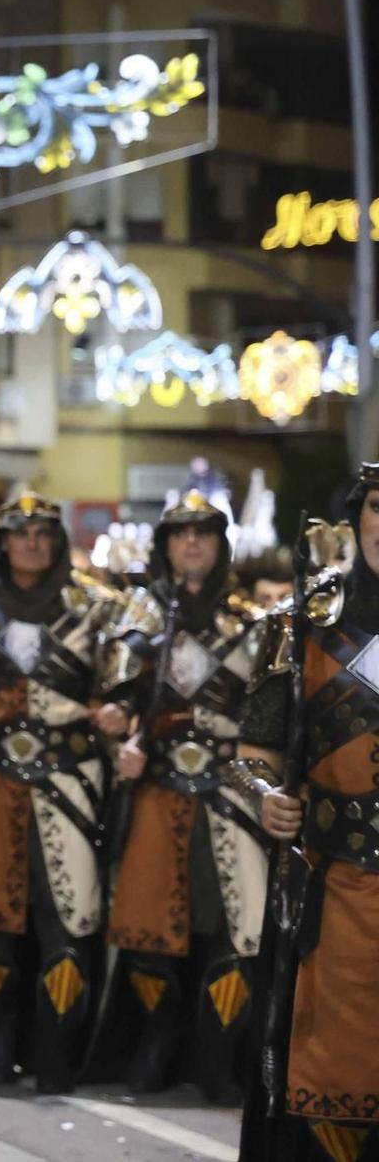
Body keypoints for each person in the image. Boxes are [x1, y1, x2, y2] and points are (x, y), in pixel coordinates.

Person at [0, 492, 116, 1092]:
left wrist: (111, 714)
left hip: (71, 776)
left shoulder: (98, 607)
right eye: (20, 532)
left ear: (57, 541)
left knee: (69, 921)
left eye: (42, 532)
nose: (32, 542)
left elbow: (120, 690)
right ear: (3, 539)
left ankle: (57, 1056)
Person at [89, 491, 271, 1102]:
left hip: (231, 791)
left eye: (204, 533)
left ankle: (217, 1059)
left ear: (220, 545)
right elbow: (112, 699)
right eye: (181, 533)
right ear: (165, 546)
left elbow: (270, 712)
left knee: (233, 930)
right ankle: (156, 1045)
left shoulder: (253, 622)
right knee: (146, 927)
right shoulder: (137, 618)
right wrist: (118, 729)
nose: (192, 542)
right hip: (158, 788)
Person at [238, 469, 379, 1159]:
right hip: (333, 880)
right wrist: (266, 795)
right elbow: (253, 749)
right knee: (330, 1074)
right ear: (357, 518)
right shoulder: (299, 620)